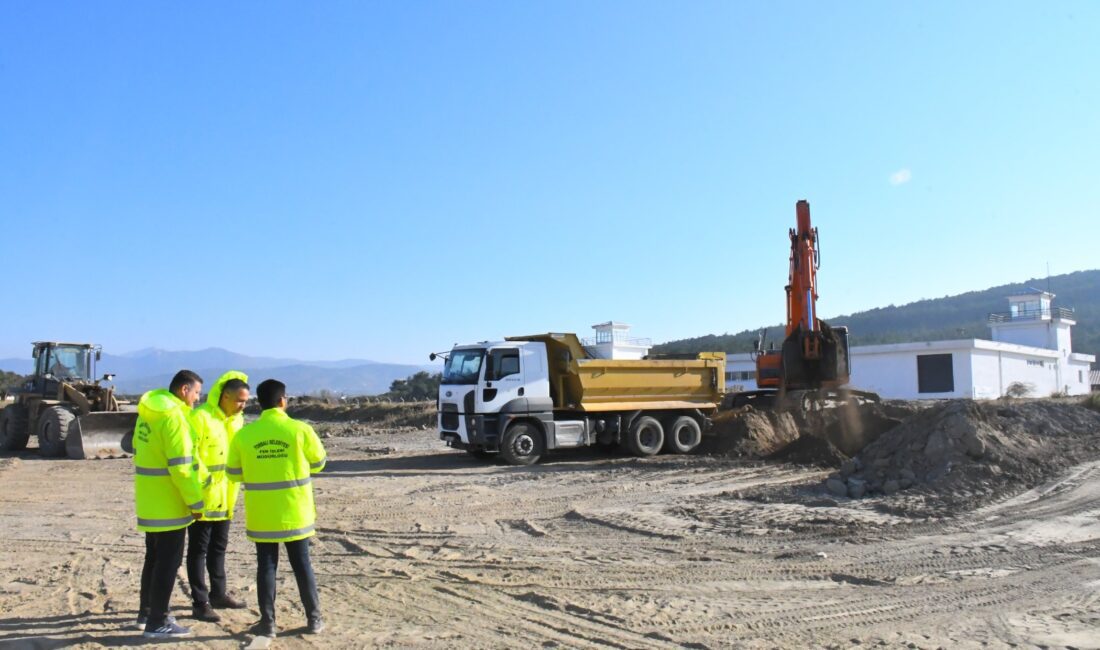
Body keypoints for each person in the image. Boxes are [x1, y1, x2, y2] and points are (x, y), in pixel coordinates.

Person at [227, 379, 326, 638]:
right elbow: (319, 463)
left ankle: (268, 623)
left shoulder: (245, 435)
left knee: (266, 566)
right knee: (302, 565)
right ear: (283, 400)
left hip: (262, 514)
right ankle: (314, 619)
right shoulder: (299, 429)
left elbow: (234, 473)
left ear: (259, 403)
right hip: (295, 511)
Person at [132, 370, 206, 639]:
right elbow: (182, 468)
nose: (197, 399)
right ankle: (158, 622)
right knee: (168, 563)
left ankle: (147, 613)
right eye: (197, 392)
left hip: (150, 500)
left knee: (153, 559)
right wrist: (196, 502)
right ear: (184, 390)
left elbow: (137, 447)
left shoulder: (149, 412)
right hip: (170, 503)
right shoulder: (174, 418)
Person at [185, 371, 250, 622]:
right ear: (224, 396)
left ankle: (219, 594)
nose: (242, 405)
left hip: (227, 497)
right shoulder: (200, 418)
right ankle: (200, 603)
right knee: (198, 550)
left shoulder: (237, 421)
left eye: (245, 401)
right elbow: (191, 456)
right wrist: (206, 483)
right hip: (203, 497)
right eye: (239, 400)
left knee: (219, 547)